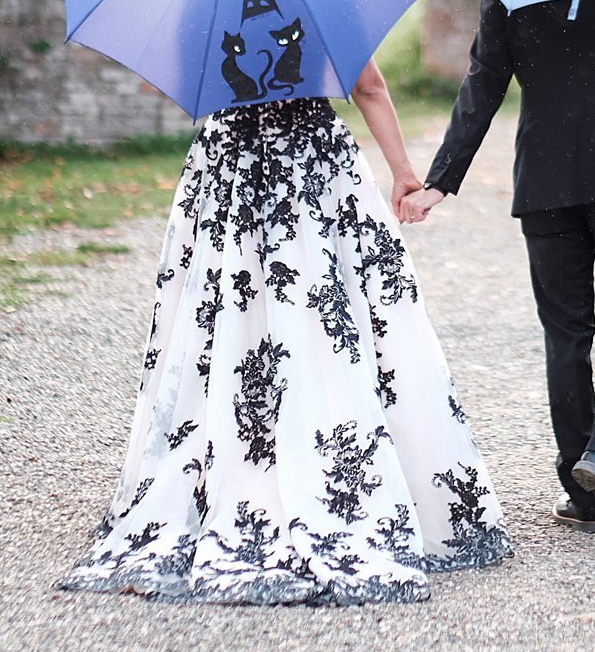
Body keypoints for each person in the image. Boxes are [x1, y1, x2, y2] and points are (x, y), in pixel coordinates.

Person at [58, 60, 511, 605]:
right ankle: (347, 480)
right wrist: (403, 173)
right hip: (311, 167)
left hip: (230, 168)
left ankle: (230, 481)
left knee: (230, 322)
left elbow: (173, 82)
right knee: (331, 318)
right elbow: (367, 85)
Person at [400, 0, 595, 532]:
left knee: (566, 332)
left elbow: (484, 83)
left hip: (547, 175)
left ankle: (581, 494)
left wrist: (441, 179)